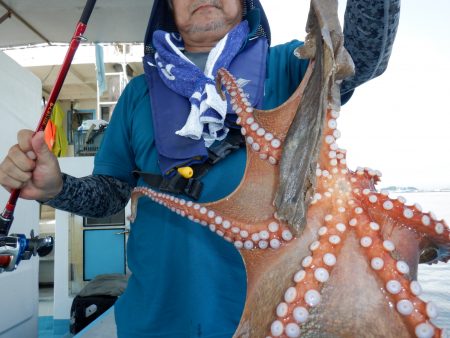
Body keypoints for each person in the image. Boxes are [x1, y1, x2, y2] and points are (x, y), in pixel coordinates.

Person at [0, 0, 400, 337]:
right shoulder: (137, 94)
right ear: (167, 7)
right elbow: (110, 195)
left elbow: (363, 57)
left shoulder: (293, 66)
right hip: (148, 318)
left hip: (268, 319)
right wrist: (57, 188)